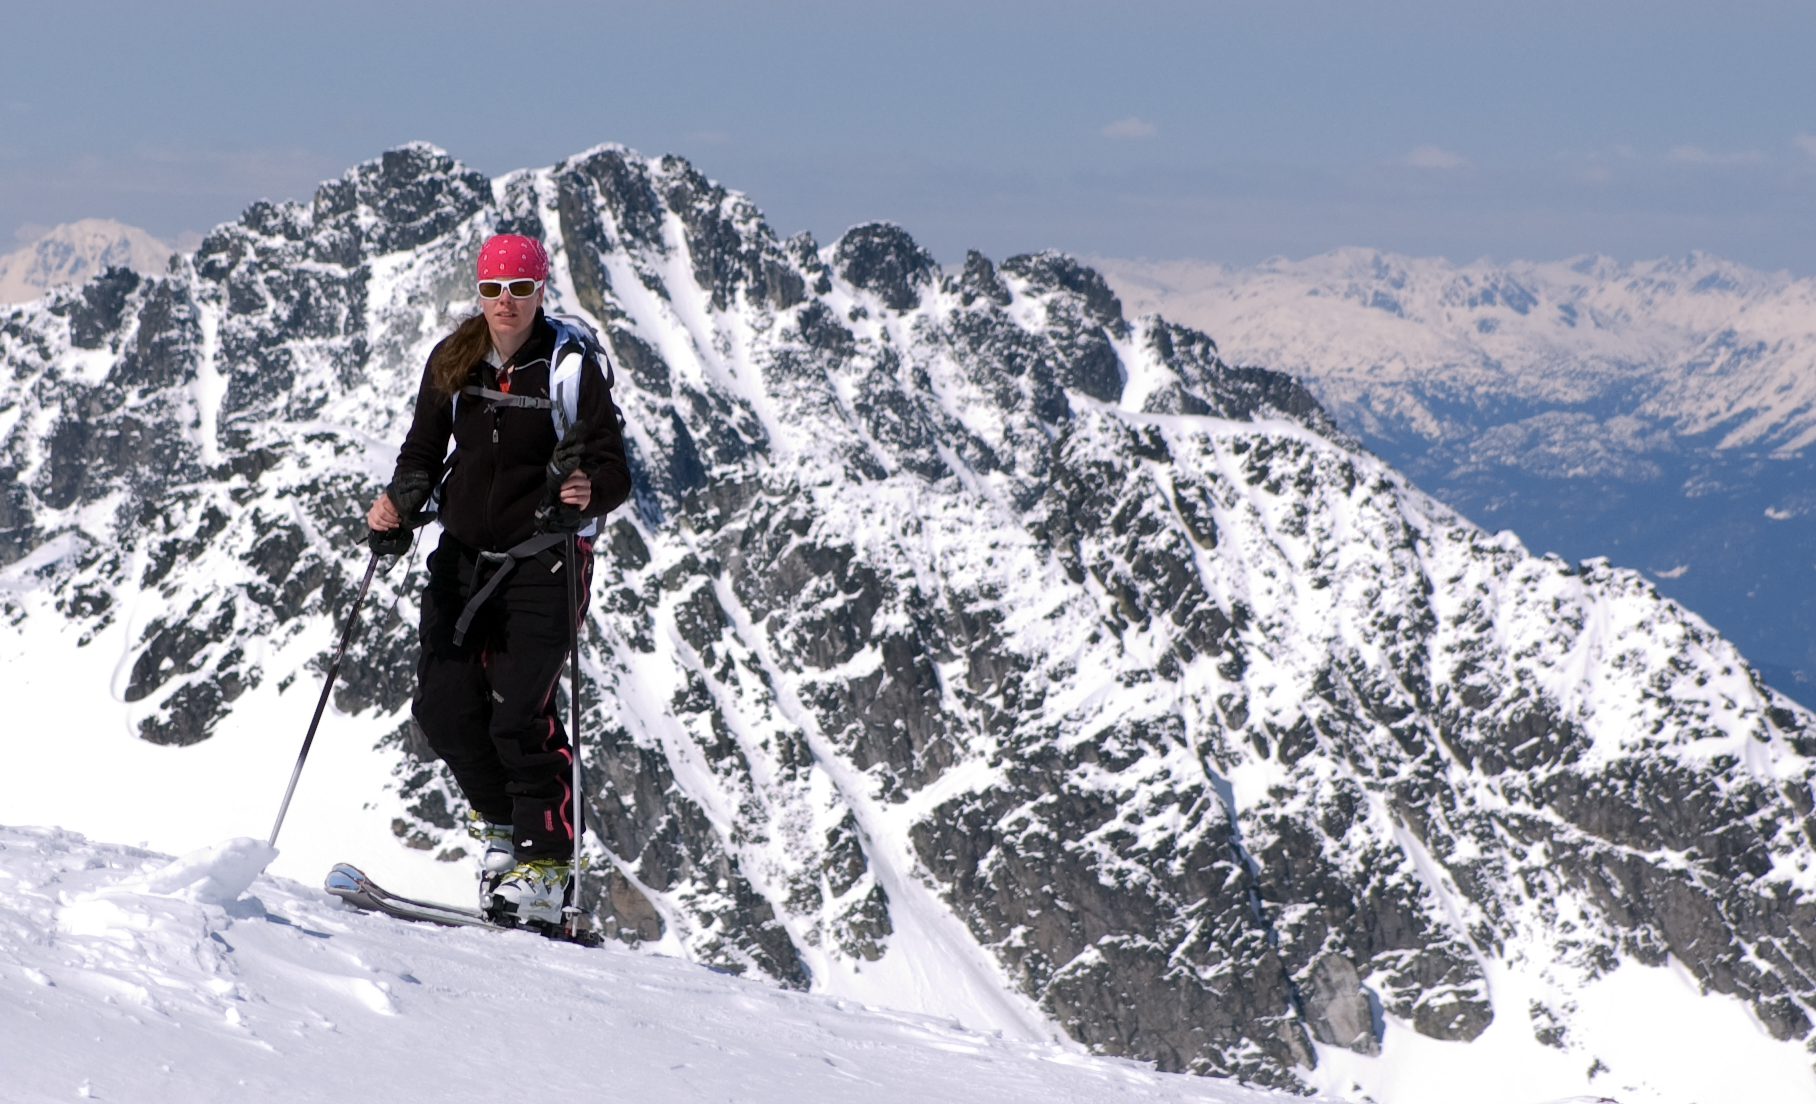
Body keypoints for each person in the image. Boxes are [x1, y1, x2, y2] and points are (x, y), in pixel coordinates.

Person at [365, 233, 630, 925]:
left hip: (547, 560)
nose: (505, 303)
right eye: (492, 290)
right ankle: (503, 831)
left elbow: (614, 471)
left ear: (541, 290)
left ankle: (545, 870)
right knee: (444, 707)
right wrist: (401, 501)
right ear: (477, 294)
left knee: (520, 712)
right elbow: (423, 448)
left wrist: (582, 490)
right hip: (462, 558)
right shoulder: (455, 361)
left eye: (519, 289)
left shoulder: (569, 368)